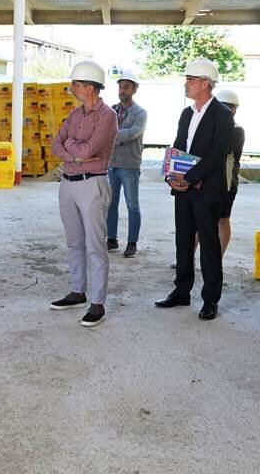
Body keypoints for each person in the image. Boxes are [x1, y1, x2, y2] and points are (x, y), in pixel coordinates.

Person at [155, 58, 234, 321]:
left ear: (205, 84)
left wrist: (189, 177)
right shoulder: (187, 113)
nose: (186, 84)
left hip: (207, 189)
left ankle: (210, 299)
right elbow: (178, 146)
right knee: (184, 240)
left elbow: (216, 155)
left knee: (209, 244)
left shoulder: (223, 115)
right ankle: (181, 291)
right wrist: (170, 175)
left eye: (190, 79)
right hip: (184, 189)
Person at [50, 61, 118, 327]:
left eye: (75, 84)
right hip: (68, 182)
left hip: (93, 184)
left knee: (96, 246)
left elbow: (91, 149)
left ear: (90, 88)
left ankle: (97, 303)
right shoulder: (75, 115)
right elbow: (57, 145)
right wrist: (76, 154)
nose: (71, 88)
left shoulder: (107, 116)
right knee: (74, 242)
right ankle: (78, 291)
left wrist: (76, 152)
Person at [106, 70, 148, 259]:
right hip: (112, 164)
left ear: (134, 89)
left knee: (132, 205)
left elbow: (133, 133)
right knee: (110, 204)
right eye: (121, 86)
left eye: (126, 86)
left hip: (129, 165)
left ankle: (132, 243)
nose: (122, 90)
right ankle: (111, 239)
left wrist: (112, 136)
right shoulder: (112, 110)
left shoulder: (140, 113)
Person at [215, 89, 244, 256]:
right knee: (199, 221)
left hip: (227, 184)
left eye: (228, 107)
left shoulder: (236, 130)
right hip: (207, 182)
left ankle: (216, 260)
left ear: (234, 110)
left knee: (222, 220)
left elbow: (220, 151)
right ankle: (188, 258)